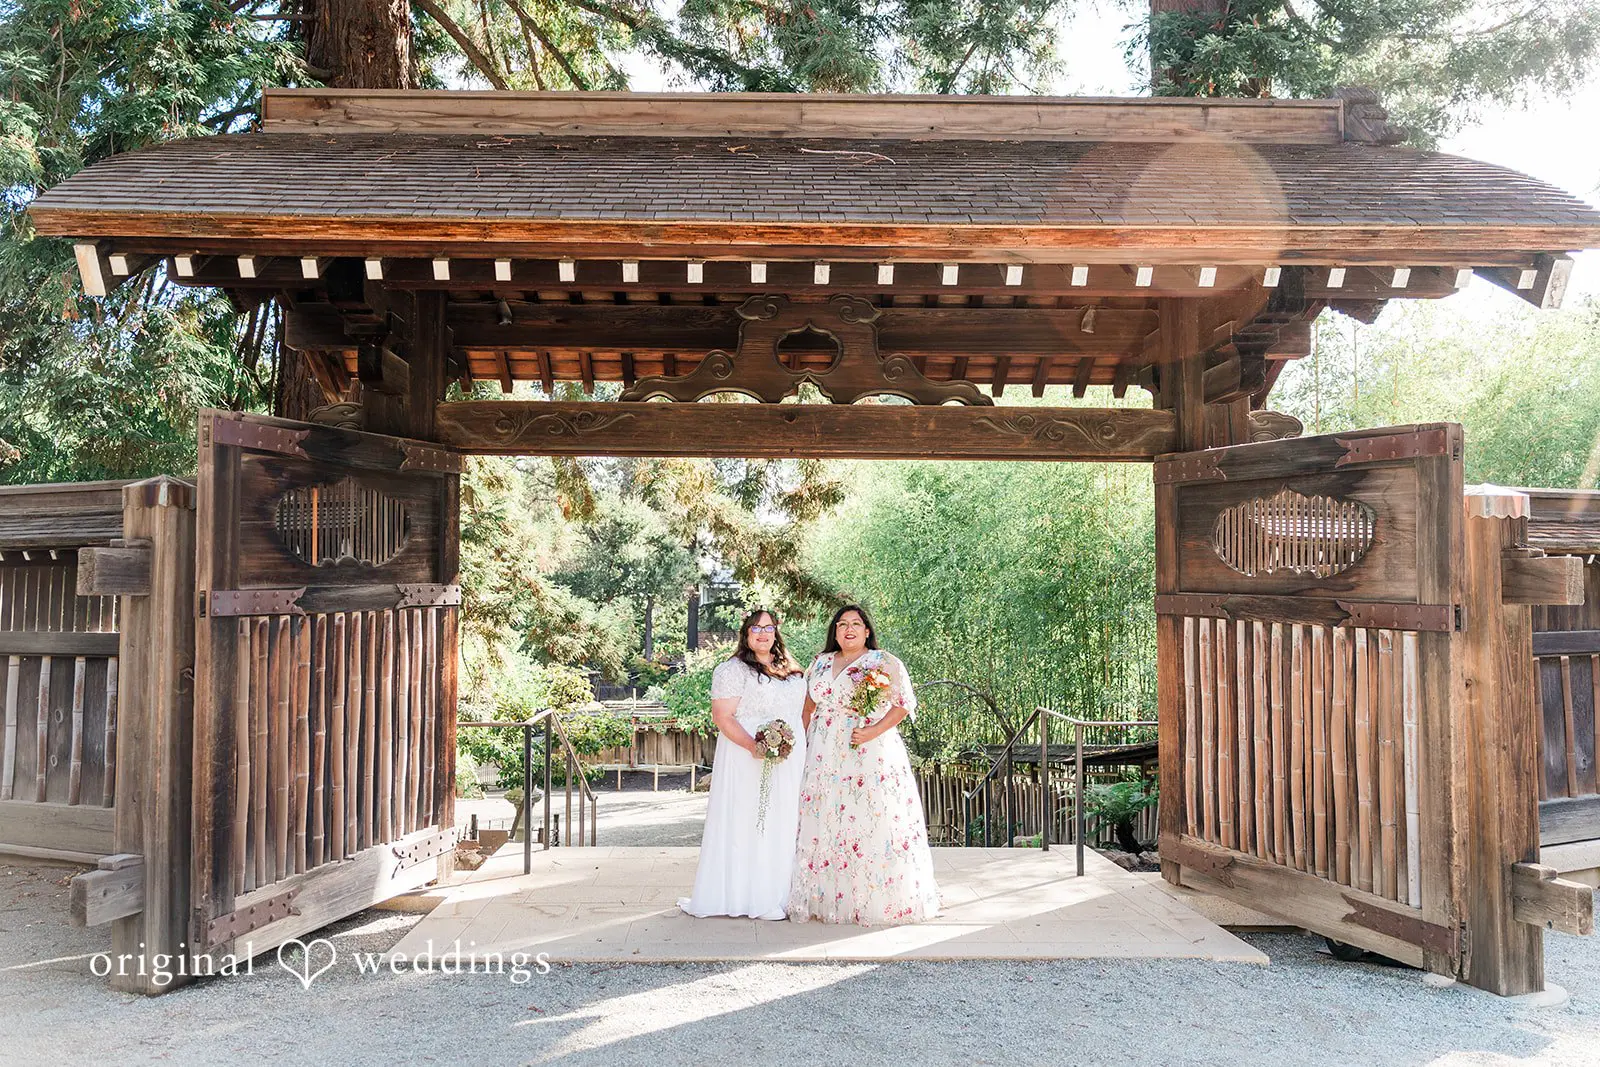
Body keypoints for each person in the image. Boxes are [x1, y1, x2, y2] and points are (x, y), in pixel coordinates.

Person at [788, 604, 940, 925]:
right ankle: (824, 898)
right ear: (835, 631)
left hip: (868, 749)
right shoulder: (820, 662)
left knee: (868, 817)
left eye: (856, 624)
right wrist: (801, 743)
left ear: (867, 630)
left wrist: (871, 730)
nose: (849, 629)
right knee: (826, 816)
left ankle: (871, 900)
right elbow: (807, 706)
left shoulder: (883, 662)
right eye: (842, 624)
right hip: (822, 751)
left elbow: (902, 705)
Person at [678, 608, 808, 920]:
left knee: (784, 820)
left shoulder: (790, 666)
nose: (763, 634)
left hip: (789, 758)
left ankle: (782, 892)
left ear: (776, 631)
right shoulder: (731, 670)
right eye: (756, 629)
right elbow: (723, 717)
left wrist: (796, 741)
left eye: (769, 627)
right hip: (746, 756)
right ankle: (751, 896)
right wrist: (756, 745)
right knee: (751, 820)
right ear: (746, 634)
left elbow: (803, 710)